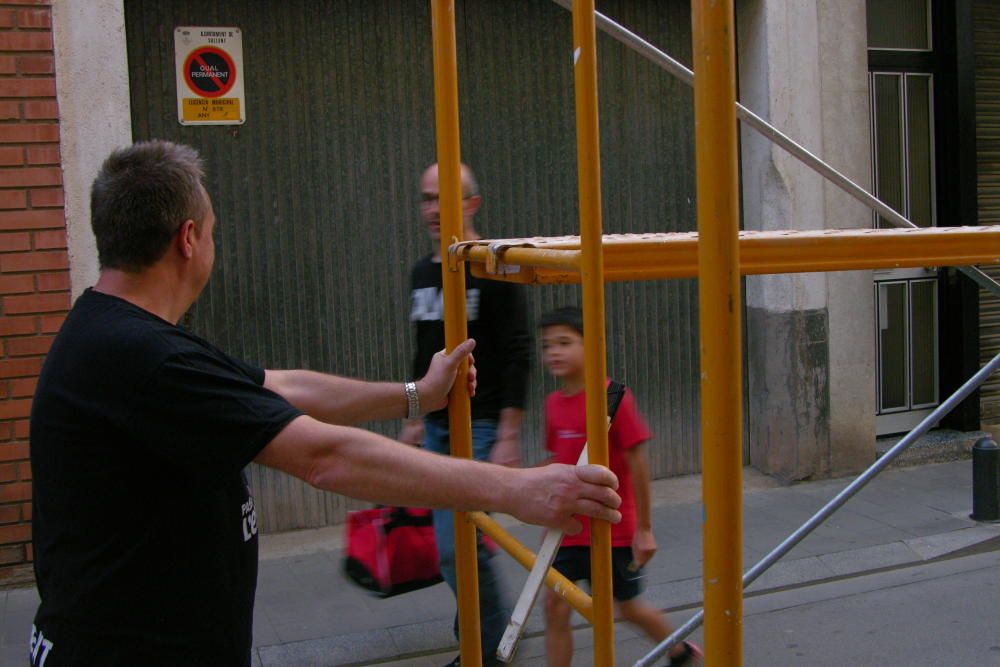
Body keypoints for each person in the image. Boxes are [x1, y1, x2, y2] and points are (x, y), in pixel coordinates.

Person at [28, 141, 622, 667]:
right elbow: (325, 457)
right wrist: (518, 491)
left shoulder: (127, 336)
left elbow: (283, 387)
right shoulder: (140, 356)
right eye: (212, 229)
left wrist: (416, 395)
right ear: (188, 239)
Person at [399, 163, 530, 666]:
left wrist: (509, 433)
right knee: (455, 544)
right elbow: (423, 351)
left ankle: (491, 649)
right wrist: (413, 417)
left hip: (480, 425)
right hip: (435, 425)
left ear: (472, 205)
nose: (433, 210)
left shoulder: (494, 267)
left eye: (444, 199)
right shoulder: (420, 273)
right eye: (426, 199)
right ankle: (476, 628)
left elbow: (518, 350)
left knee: (459, 546)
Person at [538, 307, 702, 667]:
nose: (554, 352)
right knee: (554, 607)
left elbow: (638, 464)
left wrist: (644, 529)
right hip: (568, 531)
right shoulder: (552, 405)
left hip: (612, 530)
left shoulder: (614, 397)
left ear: (590, 346)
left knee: (627, 607)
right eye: (548, 345)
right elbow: (558, 462)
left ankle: (680, 651)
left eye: (565, 342)